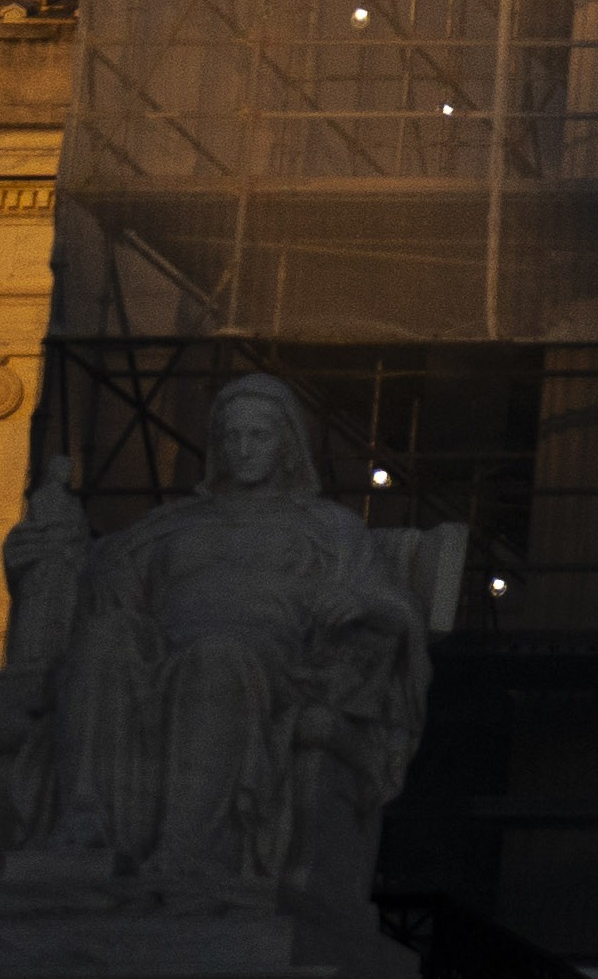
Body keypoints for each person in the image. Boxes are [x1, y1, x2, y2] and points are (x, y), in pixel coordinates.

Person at [7, 373, 432, 910]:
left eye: (259, 436)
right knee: (105, 641)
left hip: (270, 659)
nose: (243, 449)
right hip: (159, 649)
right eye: (231, 437)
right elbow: (90, 594)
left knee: (218, 657)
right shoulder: (167, 526)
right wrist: (37, 566)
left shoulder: (330, 530)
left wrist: (365, 604)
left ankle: (191, 849)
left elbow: (395, 609)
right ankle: (85, 825)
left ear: (287, 445)